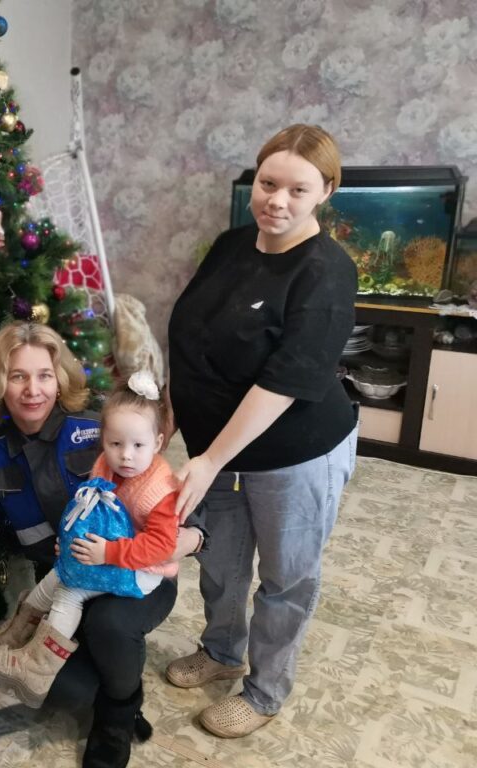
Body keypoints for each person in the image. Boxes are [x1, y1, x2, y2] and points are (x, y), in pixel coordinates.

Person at [166, 124, 358, 738]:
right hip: (216, 452)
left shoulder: (326, 273)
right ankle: (221, 652)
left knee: (285, 577)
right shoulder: (231, 245)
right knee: (220, 561)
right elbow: (190, 339)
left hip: (293, 454)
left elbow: (283, 382)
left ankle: (265, 690)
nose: (277, 200)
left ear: (326, 191)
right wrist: (170, 417)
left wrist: (209, 460)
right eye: (268, 183)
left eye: (297, 189)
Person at [0, 321, 193, 768]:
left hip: (135, 574)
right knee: (65, 688)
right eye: (17, 376)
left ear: (60, 379)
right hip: (65, 579)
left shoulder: (100, 429)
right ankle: (100, 680)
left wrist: (187, 538)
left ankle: (117, 719)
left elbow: (176, 505)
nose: (32, 390)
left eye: (44, 375)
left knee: (109, 627)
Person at [0, 370, 179, 712]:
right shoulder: (104, 465)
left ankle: (37, 668)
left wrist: (108, 552)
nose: (126, 455)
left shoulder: (160, 490)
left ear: (158, 443)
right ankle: (16, 636)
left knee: (70, 589)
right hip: (104, 553)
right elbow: (88, 510)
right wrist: (71, 542)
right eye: (115, 444)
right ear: (104, 440)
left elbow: (162, 546)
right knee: (56, 576)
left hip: (142, 571)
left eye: (138, 446)